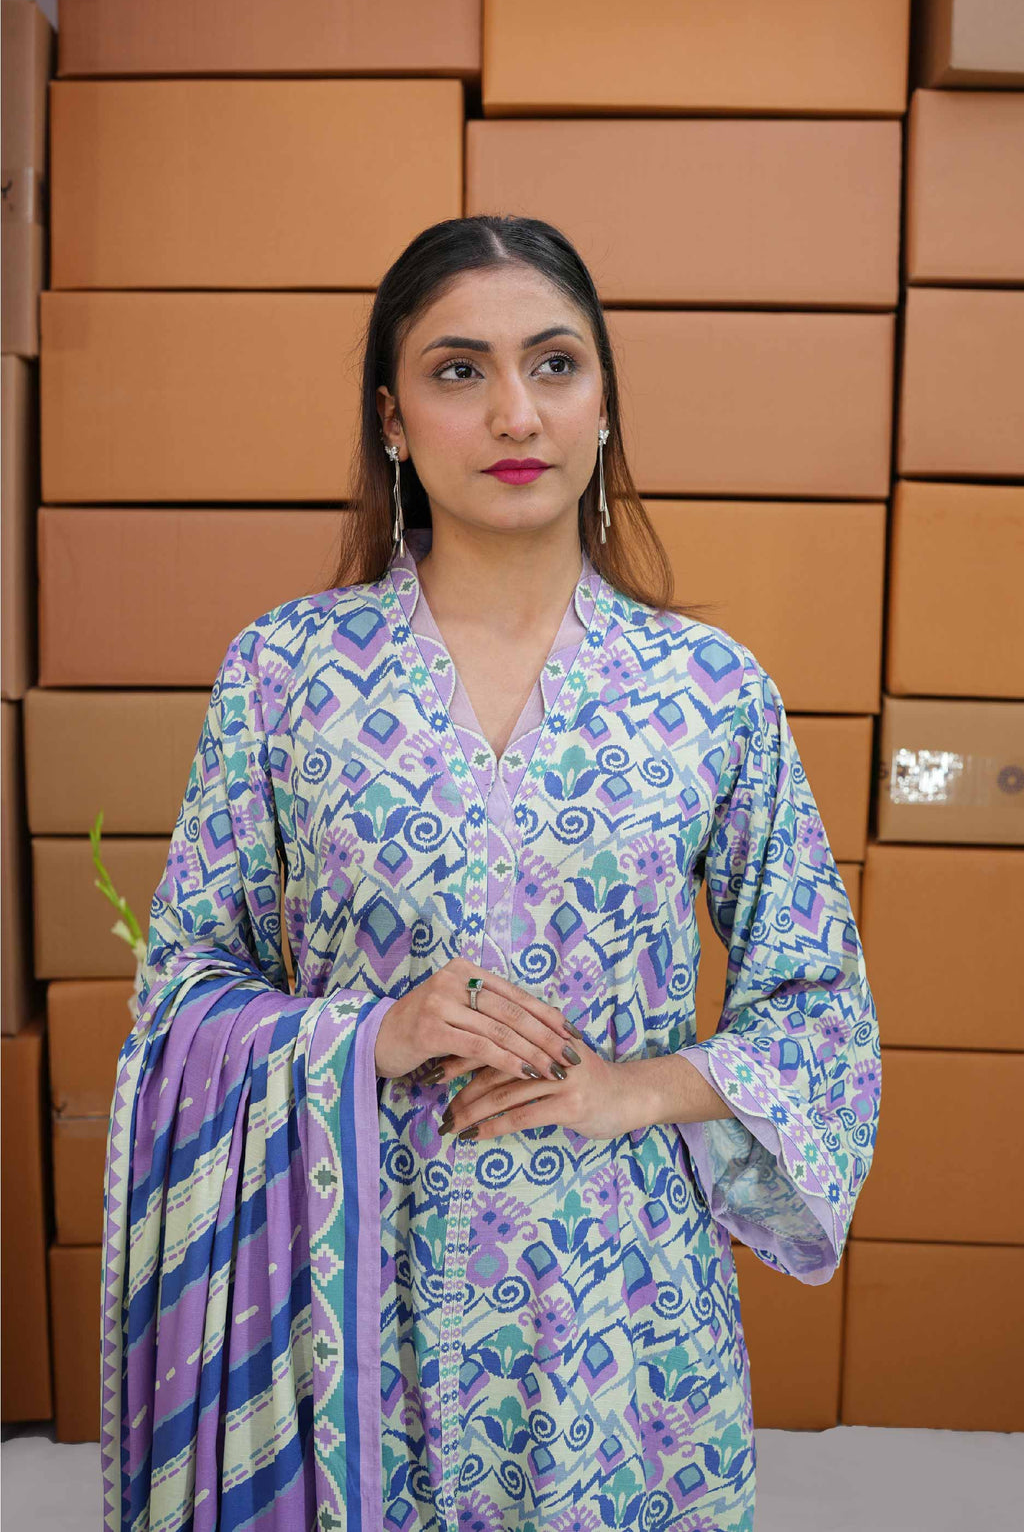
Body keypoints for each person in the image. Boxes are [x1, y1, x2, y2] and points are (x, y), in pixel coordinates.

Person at [100, 214, 881, 1532]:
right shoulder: (289, 674)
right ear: (394, 420)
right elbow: (182, 982)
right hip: (356, 1299)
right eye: (460, 370)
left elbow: (820, 1013)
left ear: (605, 405)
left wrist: (639, 1087)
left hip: (623, 1313)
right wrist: (369, 1032)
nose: (516, 410)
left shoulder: (707, 694)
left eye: (556, 365)